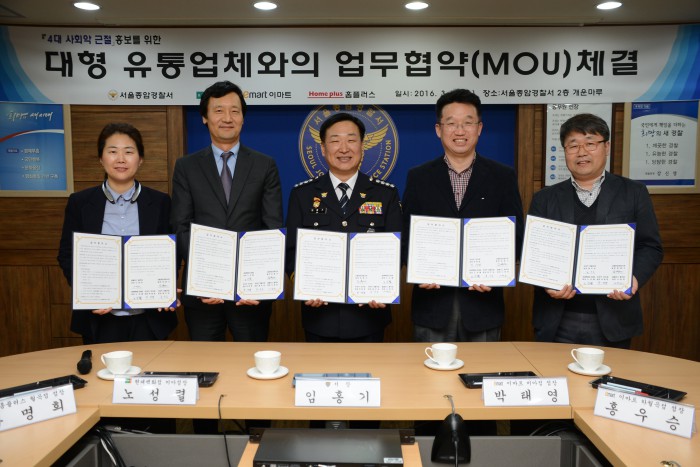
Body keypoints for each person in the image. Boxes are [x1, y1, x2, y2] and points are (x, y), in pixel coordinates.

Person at [529, 113, 663, 348]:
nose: (582, 152)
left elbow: (650, 246)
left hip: (614, 317)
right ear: (565, 151)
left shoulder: (633, 193)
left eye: (590, 143)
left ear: (606, 147)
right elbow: (534, 253)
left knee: (609, 374)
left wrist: (633, 279)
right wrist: (545, 281)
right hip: (557, 318)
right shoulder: (544, 199)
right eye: (573, 145)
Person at [402, 88, 524, 343]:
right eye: (451, 123)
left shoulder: (503, 177)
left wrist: (496, 272)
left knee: (482, 368)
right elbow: (406, 236)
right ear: (439, 129)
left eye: (467, 123)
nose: (460, 131)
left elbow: (516, 236)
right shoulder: (419, 177)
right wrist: (417, 269)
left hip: (483, 305)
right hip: (432, 305)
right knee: (428, 369)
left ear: (479, 128)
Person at [171, 80, 283, 342]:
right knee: (206, 361)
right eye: (218, 110)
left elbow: (272, 226)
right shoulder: (186, 167)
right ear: (204, 117)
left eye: (235, 111)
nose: (227, 118)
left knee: (252, 360)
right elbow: (181, 225)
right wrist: (206, 279)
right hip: (203, 292)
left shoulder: (264, 165)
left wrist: (253, 282)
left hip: (250, 294)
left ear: (243, 117)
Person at [285, 112, 403, 343]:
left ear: (362, 146)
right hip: (320, 316)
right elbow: (291, 250)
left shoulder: (385, 194)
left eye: (351, 140)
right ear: (323, 148)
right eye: (335, 140)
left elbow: (396, 250)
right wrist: (303, 284)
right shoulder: (302, 195)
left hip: (369, 315)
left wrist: (382, 287)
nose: (344, 148)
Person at [57, 122, 177, 344]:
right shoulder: (80, 202)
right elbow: (67, 254)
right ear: (101, 158)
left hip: (149, 318)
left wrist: (165, 288)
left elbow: (170, 254)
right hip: (100, 318)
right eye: (112, 151)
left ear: (140, 159)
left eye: (129, 152)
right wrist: (88, 294)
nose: (121, 159)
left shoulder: (160, 202)